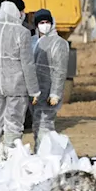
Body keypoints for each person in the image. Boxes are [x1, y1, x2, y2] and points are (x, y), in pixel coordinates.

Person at [0, 1, 39, 151]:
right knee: (13, 121)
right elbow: (27, 63)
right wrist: (33, 90)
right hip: (16, 85)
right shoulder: (22, 32)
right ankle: (10, 152)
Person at [31, 9, 69, 148]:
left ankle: (47, 154)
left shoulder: (58, 43)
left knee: (45, 125)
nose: (44, 25)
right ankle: (39, 152)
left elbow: (60, 70)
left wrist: (55, 93)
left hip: (48, 92)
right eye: (41, 22)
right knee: (37, 124)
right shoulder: (34, 41)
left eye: (47, 22)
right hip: (35, 92)